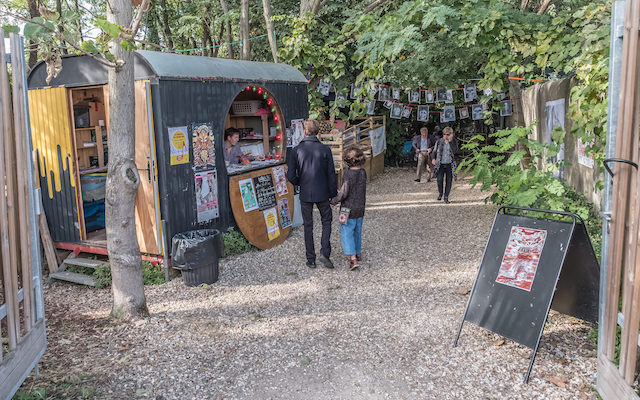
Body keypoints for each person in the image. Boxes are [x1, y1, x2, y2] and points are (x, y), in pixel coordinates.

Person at [286, 119, 337, 269]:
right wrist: (333, 195)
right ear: (317, 131)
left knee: (308, 225)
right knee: (326, 221)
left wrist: (299, 182)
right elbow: (331, 174)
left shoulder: (297, 150)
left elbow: (290, 175)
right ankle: (324, 252)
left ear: (305, 131)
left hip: (306, 192)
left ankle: (311, 259)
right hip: (323, 191)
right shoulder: (325, 150)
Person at [330, 146, 367, 270]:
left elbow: (344, 192)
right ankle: (357, 252)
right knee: (357, 231)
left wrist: (334, 201)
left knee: (347, 232)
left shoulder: (348, 174)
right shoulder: (363, 173)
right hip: (360, 207)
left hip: (347, 209)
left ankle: (353, 258)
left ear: (347, 160)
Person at [431, 126, 458, 203]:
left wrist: (450, 142)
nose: (447, 136)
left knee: (449, 181)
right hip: (440, 164)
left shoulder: (453, 142)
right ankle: (440, 193)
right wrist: (433, 158)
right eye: (445, 134)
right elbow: (434, 151)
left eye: (449, 134)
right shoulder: (439, 141)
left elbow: (455, 151)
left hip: (449, 163)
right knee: (439, 180)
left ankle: (446, 197)